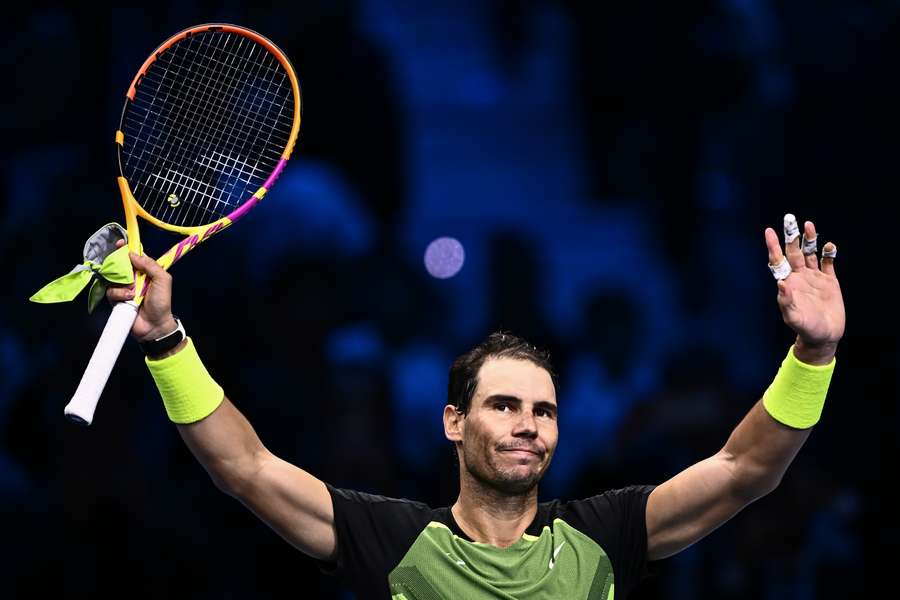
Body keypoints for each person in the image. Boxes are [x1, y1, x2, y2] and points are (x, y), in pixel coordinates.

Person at [106, 214, 844, 599]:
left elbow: (747, 468)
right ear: (453, 423)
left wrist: (812, 355)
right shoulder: (389, 538)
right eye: (505, 405)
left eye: (545, 411)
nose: (529, 424)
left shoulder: (609, 533)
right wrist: (167, 340)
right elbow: (244, 467)